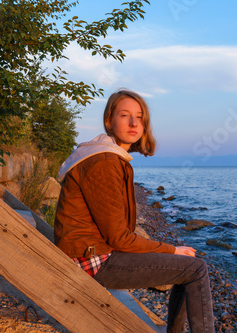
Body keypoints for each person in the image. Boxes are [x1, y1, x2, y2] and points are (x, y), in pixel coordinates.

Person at [54, 89, 215, 332]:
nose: (133, 123)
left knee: (186, 267)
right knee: (196, 269)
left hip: (94, 252)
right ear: (109, 120)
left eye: (139, 117)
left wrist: (170, 253)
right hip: (92, 261)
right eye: (124, 115)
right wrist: (172, 249)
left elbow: (116, 234)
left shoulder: (111, 157)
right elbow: (119, 237)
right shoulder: (104, 162)